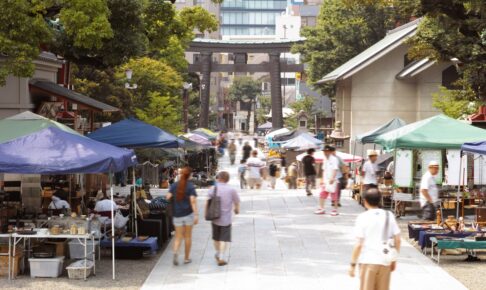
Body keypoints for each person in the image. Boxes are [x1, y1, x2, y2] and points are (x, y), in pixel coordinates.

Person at [349, 189, 401, 290]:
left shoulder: (362, 217)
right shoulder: (388, 215)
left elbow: (359, 244)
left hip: (368, 261)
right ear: (380, 200)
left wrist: (352, 264)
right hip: (385, 261)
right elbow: (398, 239)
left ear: (365, 201)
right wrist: (394, 259)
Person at [206, 171, 240, 266]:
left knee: (216, 238)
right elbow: (236, 202)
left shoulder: (213, 188)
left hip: (215, 217)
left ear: (219, 178)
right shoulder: (231, 190)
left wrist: (206, 213)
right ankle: (221, 257)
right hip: (226, 219)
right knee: (223, 239)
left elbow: (207, 201)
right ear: (227, 179)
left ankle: (217, 252)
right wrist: (237, 209)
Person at [166, 167, 198, 265]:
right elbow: (193, 201)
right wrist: (196, 215)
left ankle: (176, 252)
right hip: (188, 214)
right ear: (190, 175)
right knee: (188, 237)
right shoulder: (190, 186)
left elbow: (168, 197)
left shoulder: (174, 185)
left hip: (177, 214)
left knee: (178, 236)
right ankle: (186, 258)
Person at [315, 145, 342, 216]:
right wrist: (322, 180)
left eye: (327, 151)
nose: (325, 153)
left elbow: (335, 169)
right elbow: (323, 170)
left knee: (334, 195)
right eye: (324, 151)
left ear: (330, 152)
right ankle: (321, 208)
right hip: (325, 180)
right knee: (322, 194)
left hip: (333, 180)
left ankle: (335, 209)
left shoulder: (334, 159)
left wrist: (332, 178)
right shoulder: (324, 159)